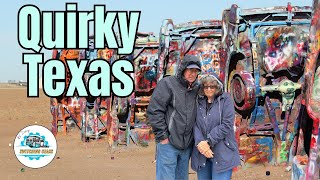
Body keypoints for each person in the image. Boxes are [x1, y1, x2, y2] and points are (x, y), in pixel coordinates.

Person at [147, 55, 201, 180]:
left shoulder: (197, 89)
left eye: (195, 71)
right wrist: (163, 136)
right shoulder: (168, 84)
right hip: (168, 143)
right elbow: (154, 110)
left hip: (186, 145)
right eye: (189, 70)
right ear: (182, 69)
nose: (192, 74)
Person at [191, 73, 240, 180]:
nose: (208, 89)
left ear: (217, 87)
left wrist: (208, 141)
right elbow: (194, 123)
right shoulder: (198, 101)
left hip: (222, 151)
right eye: (206, 86)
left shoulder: (225, 100)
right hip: (202, 153)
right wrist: (200, 143)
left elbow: (227, 124)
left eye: (212, 86)